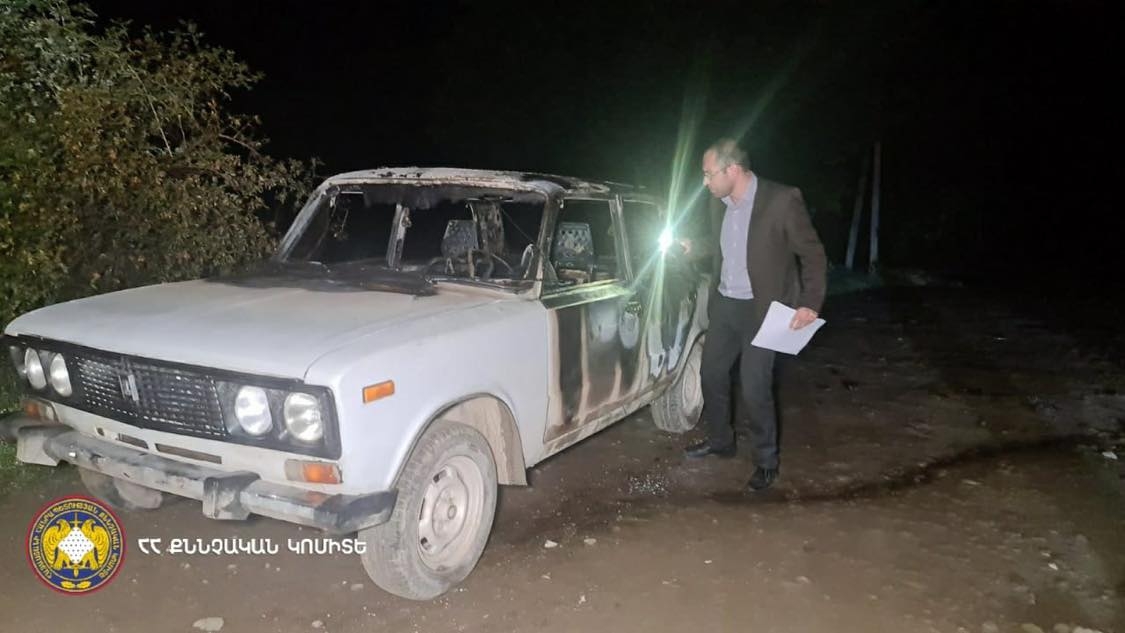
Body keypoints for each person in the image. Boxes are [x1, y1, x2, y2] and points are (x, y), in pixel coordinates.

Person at [682, 138, 827, 492]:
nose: (704, 182)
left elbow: (813, 254)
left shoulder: (781, 200)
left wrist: (810, 302)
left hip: (763, 309)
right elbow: (723, 245)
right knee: (711, 373)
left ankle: (766, 461)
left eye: (708, 174)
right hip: (726, 304)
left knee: (754, 385)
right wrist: (694, 247)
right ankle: (721, 441)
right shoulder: (719, 202)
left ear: (732, 170)